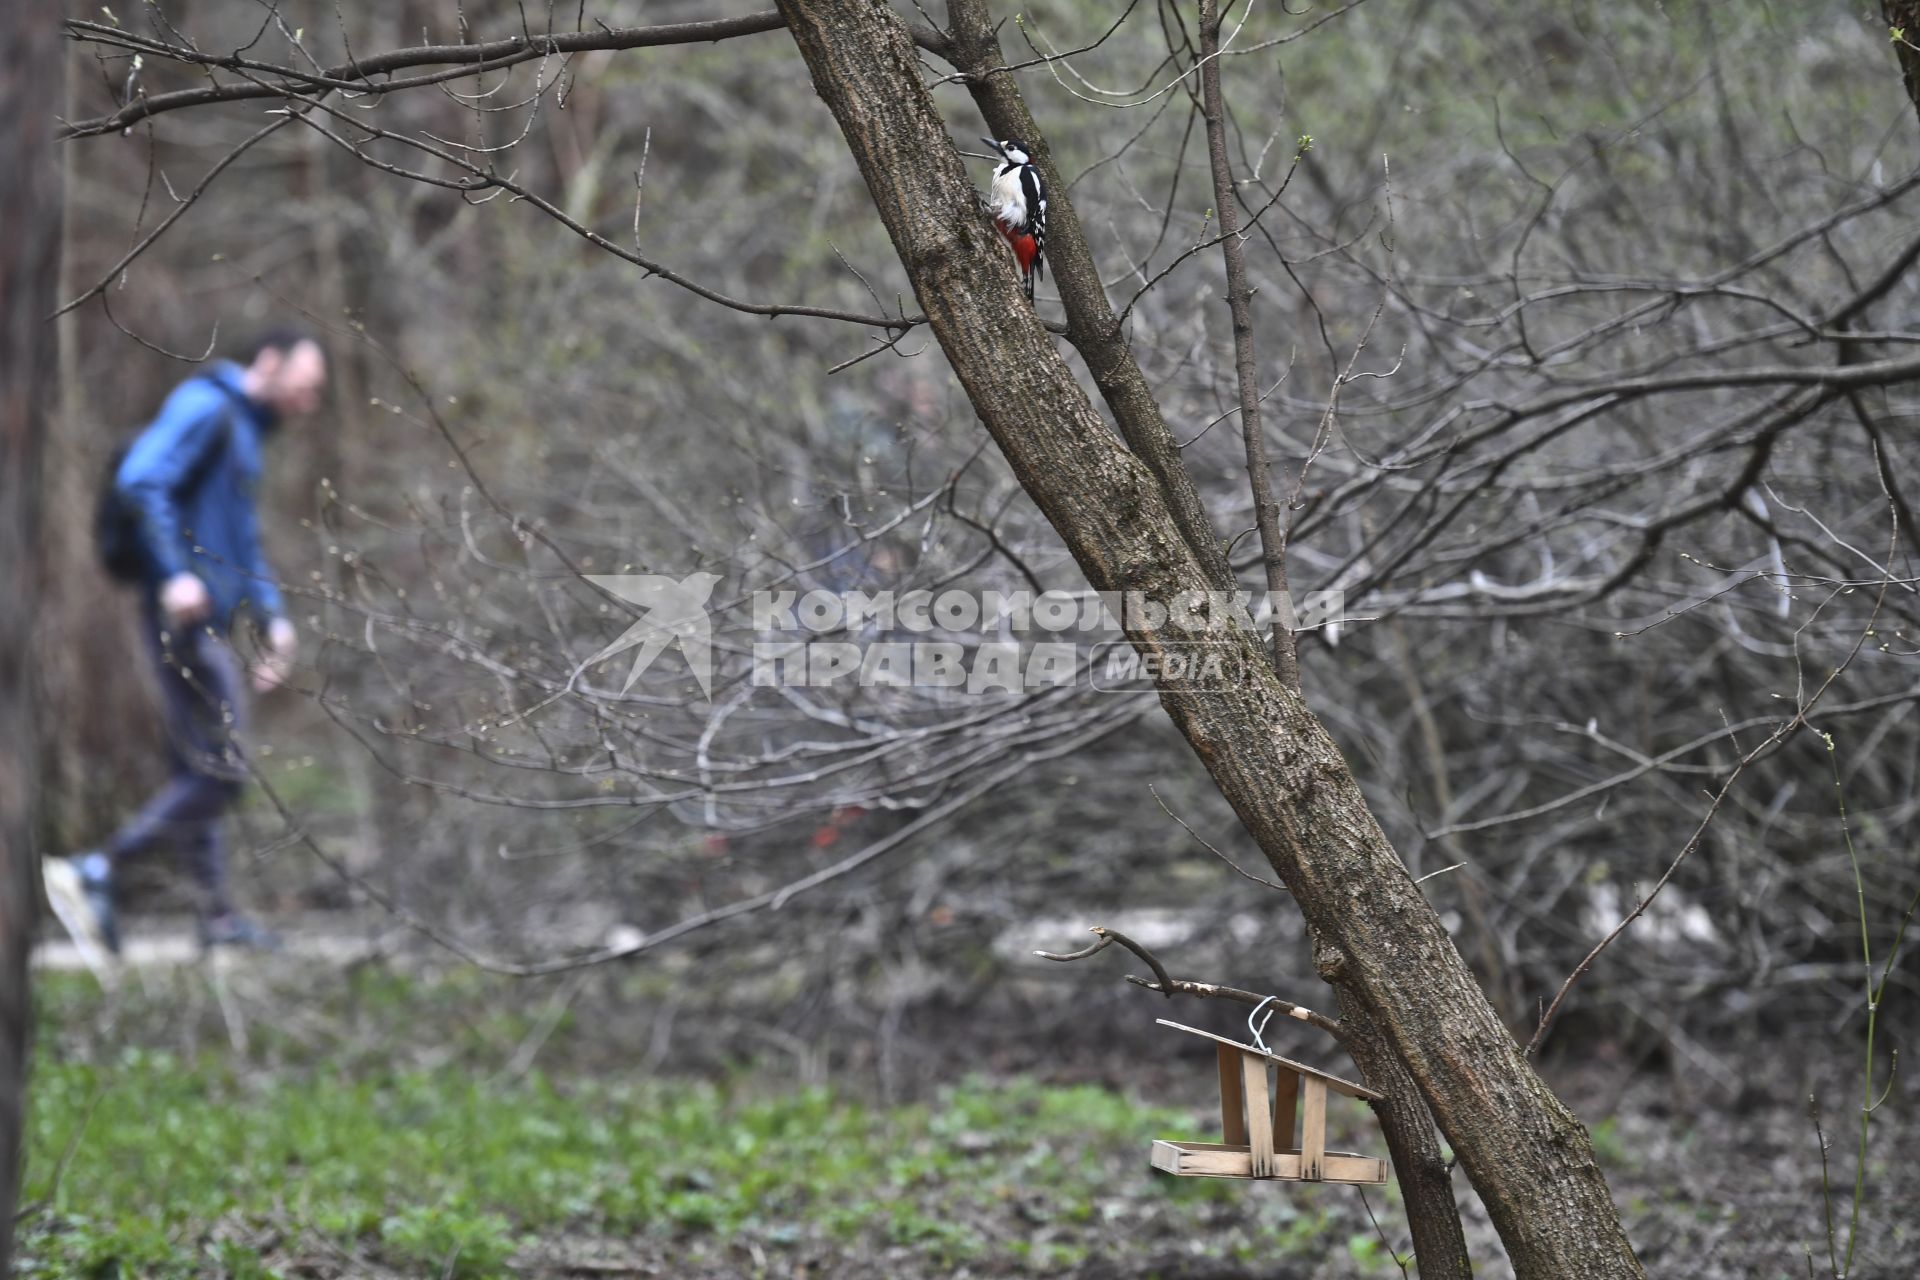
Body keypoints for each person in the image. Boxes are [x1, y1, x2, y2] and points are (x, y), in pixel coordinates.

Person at [44, 329, 327, 959]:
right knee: (224, 768)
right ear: (270, 363)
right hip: (185, 615)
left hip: (212, 616)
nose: (310, 402)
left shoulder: (246, 431)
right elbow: (142, 481)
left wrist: (274, 615)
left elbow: (243, 538)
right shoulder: (207, 405)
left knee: (200, 766)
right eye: (306, 386)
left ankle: (217, 920)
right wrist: (173, 574)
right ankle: (95, 869)